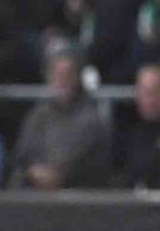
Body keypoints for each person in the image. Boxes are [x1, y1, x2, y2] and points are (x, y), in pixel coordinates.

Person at [9, 45, 111, 189]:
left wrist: (57, 175)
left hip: (77, 191)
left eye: (68, 74)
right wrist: (32, 172)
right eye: (57, 75)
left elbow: (88, 164)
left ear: (78, 78)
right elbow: (21, 155)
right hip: (34, 188)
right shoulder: (38, 115)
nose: (63, 81)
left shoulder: (92, 119)